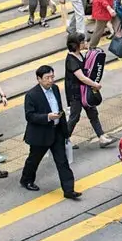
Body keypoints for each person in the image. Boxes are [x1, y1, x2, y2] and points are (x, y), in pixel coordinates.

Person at [21, 65, 82, 198]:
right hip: (40, 134)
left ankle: (68, 190)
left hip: (56, 132)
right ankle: (26, 179)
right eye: (47, 78)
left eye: (52, 77)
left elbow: (59, 107)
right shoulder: (31, 95)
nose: (50, 80)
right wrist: (47, 117)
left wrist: (65, 132)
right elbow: (30, 116)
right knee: (34, 159)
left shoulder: (54, 89)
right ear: (39, 79)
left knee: (62, 161)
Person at [64, 33, 115, 146]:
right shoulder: (71, 60)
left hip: (85, 91)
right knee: (74, 117)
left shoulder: (80, 55)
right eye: (83, 42)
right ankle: (64, 139)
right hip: (76, 94)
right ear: (76, 44)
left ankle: (101, 137)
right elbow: (81, 77)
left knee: (93, 113)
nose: (85, 43)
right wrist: (95, 85)